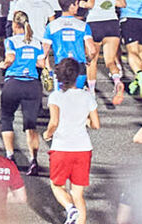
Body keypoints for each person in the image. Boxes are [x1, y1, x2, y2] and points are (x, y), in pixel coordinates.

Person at [44, 57, 99, 224]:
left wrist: (48, 133)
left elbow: (54, 122)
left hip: (61, 147)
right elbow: (95, 124)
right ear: (77, 76)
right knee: (78, 193)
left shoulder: (55, 97)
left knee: (56, 185)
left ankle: (70, 208)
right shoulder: (87, 96)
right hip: (83, 149)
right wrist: (84, 121)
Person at [0, 9, 49, 174]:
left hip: (14, 83)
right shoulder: (36, 42)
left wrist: (3, 65)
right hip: (32, 85)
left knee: (7, 119)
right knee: (30, 125)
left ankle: (10, 156)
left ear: (14, 24)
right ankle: (33, 160)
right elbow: (41, 63)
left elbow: (10, 58)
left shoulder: (11, 41)